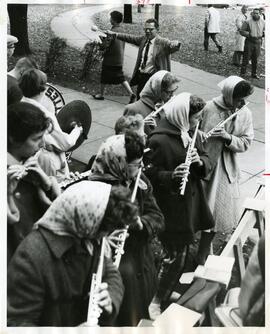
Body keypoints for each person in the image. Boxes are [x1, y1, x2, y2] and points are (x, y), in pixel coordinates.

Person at [7, 181, 139, 326]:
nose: (103, 237)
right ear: (84, 220)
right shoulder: (32, 255)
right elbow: (17, 323)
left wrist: (110, 298)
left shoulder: (88, 237)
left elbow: (111, 273)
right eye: (103, 231)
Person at [145, 93, 215, 311]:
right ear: (183, 115)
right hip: (171, 207)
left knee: (182, 254)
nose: (198, 122)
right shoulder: (158, 139)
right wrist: (171, 176)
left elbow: (207, 159)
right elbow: (148, 176)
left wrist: (199, 161)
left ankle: (165, 289)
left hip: (190, 204)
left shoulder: (190, 131)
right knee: (175, 256)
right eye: (196, 117)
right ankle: (154, 299)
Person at [89, 132, 165, 326]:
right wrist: (104, 239)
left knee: (139, 314)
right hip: (115, 273)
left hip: (141, 263)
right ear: (119, 163)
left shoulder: (140, 181)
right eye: (136, 164)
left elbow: (157, 217)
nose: (141, 168)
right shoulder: (94, 190)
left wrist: (141, 224)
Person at [200, 76, 254, 239]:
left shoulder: (245, 113)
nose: (243, 104)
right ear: (229, 95)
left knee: (217, 212)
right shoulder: (209, 108)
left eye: (245, 100)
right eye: (239, 100)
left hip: (225, 168)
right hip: (205, 165)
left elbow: (246, 141)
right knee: (200, 209)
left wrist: (228, 137)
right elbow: (196, 133)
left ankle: (203, 251)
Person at [7, 102, 60, 262]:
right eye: (36, 139)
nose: (43, 144)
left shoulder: (38, 162)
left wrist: (47, 185)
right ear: (13, 138)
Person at [19, 68, 83, 180]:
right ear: (43, 89)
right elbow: (65, 143)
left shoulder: (16, 107)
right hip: (45, 165)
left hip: (22, 163)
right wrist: (77, 131)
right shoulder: (45, 115)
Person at [107, 18, 180, 98]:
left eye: (151, 29)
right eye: (146, 29)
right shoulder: (143, 39)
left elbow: (172, 46)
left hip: (155, 79)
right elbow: (129, 38)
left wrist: (176, 44)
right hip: (142, 76)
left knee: (153, 102)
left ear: (157, 30)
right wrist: (115, 34)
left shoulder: (162, 42)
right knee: (140, 98)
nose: (147, 31)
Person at [92, 11, 135, 103]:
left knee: (104, 76)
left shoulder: (113, 31)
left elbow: (105, 45)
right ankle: (131, 94)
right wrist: (105, 37)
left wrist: (101, 43)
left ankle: (101, 94)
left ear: (114, 20)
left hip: (110, 59)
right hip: (119, 59)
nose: (110, 19)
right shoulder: (121, 30)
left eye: (111, 18)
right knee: (121, 78)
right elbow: (115, 42)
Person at [240, 8, 265, 79]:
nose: (256, 14)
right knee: (246, 58)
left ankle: (254, 74)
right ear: (252, 13)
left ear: (260, 13)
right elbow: (242, 31)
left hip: (258, 42)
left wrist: (263, 34)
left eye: (257, 13)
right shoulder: (247, 21)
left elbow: (264, 30)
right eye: (254, 13)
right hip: (249, 41)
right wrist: (249, 34)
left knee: (255, 59)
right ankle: (242, 73)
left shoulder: (263, 22)